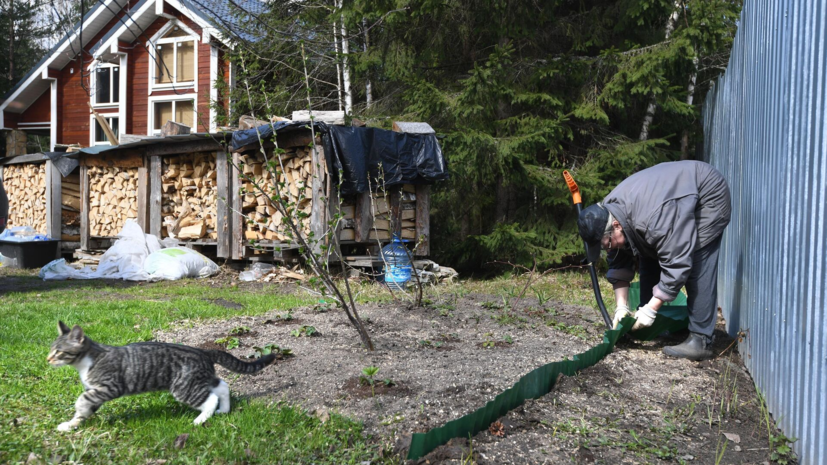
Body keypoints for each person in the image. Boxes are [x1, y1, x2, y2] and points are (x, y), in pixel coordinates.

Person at [577, 160, 731, 361]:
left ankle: (701, 340)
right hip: (670, 199)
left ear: (616, 225)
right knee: (647, 253)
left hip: (707, 194)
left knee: (697, 261)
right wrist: (621, 307)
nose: (607, 248)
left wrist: (651, 309)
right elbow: (618, 257)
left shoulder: (653, 220)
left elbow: (677, 263)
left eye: (606, 243)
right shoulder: (610, 214)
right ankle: (654, 324)